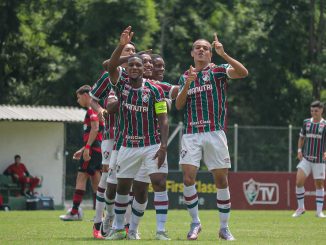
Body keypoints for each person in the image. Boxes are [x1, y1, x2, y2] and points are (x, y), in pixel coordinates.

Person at [175, 34, 248, 241]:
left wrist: (223, 54)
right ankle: (195, 223)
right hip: (191, 133)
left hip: (215, 132)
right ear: (192, 53)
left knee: (221, 180)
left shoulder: (218, 71)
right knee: (188, 178)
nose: (201, 50)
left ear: (210, 52)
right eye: (197, 48)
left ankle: (224, 228)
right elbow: (179, 105)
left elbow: (243, 73)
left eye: (205, 48)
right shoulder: (184, 76)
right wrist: (188, 83)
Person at [106, 26, 169, 240]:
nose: (133, 67)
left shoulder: (155, 90)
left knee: (157, 183)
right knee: (122, 188)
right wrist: (122, 46)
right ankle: (118, 228)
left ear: (144, 69)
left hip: (151, 144)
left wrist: (163, 146)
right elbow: (111, 65)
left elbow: (163, 118)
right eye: (131, 64)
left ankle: (155, 230)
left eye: (138, 65)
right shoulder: (121, 84)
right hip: (127, 145)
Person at [59, 85, 104, 221]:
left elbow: (95, 129)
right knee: (96, 182)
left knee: (81, 178)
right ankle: (99, 215)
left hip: (92, 150)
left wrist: (87, 148)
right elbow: (97, 132)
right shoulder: (98, 109)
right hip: (98, 149)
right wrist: (83, 148)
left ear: (86, 95)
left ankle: (74, 212)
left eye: (78, 97)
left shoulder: (91, 108)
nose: (78, 101)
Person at [292, 100, 326, 218]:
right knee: (298, 181)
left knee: (319, 184)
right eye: (312, 111)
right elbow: (301, 138)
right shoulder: (306, 123)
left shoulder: (324, 125)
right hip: (306, 158)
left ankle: (319, 211)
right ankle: (301, 208)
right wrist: (299, 150)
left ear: (321, 110)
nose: (313, 113)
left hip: (319, 160)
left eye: (316, 111)